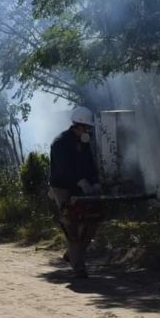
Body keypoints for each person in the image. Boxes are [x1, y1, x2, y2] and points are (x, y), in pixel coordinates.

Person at [48, 106, 102, 278]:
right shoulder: (60, 143)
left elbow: (90, 165)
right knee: (71, 223)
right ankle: (79, 267)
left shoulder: (84, 143)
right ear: (78, 126)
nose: (88, 131)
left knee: (92, 221)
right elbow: (64, 170)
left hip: (80, 186)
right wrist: (80, 182)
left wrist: (95, 183)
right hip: (62, 187)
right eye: (86, 128)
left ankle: (72, 254)